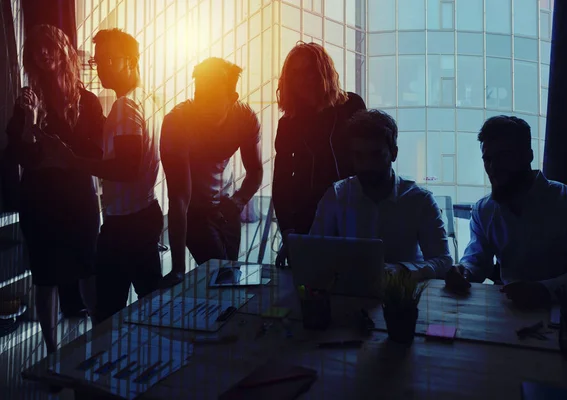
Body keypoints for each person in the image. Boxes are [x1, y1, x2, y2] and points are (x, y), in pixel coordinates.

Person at [43, 29, 163, 323]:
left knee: (107, 316)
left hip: (126, 224)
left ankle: (111, 367)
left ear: (131, 60)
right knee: (152, 303)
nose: (102, 67)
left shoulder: (125, 107)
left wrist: (72, 160)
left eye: (110, 59)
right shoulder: (147, 99)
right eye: (98, 61)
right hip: (144, 213)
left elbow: (126, 168)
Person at [5, 24, 103, 353]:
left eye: (49, 46)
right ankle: (52, 354)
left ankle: (101, 344)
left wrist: (62, 157)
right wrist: (32, 123)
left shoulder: (87, 102)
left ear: (63, 52)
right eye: (36, 49)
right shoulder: (27, 101)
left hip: (78, 198)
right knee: (45, 277)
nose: (43, 52)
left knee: (88, 269)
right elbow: (23, 157)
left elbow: (94, 154)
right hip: (40, 202)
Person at [445, 116, 567, 308]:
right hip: (507, 312)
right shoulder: (484, 210)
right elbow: (478, 260)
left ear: (528, 155)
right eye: (488, 159)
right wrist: (464, 271)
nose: (493, 167)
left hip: (564, 316)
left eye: (503, 156)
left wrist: (545, 290)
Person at [310, 110, 452, 280]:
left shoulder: (420, 200)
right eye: (359, 156)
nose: (367, 165)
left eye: (376, 155)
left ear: (394, 153)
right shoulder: (335, 196)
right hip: (351, 296)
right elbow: (314, 252)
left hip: (405, 300)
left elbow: (444, 262)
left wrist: (401, 271)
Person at [160, 58, 263, 286]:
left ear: (232, 99)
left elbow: (255, 170)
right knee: (225, 279)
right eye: (200, 95)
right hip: (194, 213)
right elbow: (178, 199)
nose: (203, 105)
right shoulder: (177, 123)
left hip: (227, 208)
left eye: (213, 98)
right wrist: (178, 268)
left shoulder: (244, 118)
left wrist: (238, 201)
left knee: (229, 279)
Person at [273, 42, 366, 267]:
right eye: (295, 73)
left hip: (353, 209)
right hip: (307, 216)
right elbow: (282, 181)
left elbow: (368, 156)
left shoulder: (351, 105)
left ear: (323, 71)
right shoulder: (288, 123)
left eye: (309, 71)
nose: (303, 79)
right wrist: (288, 231)